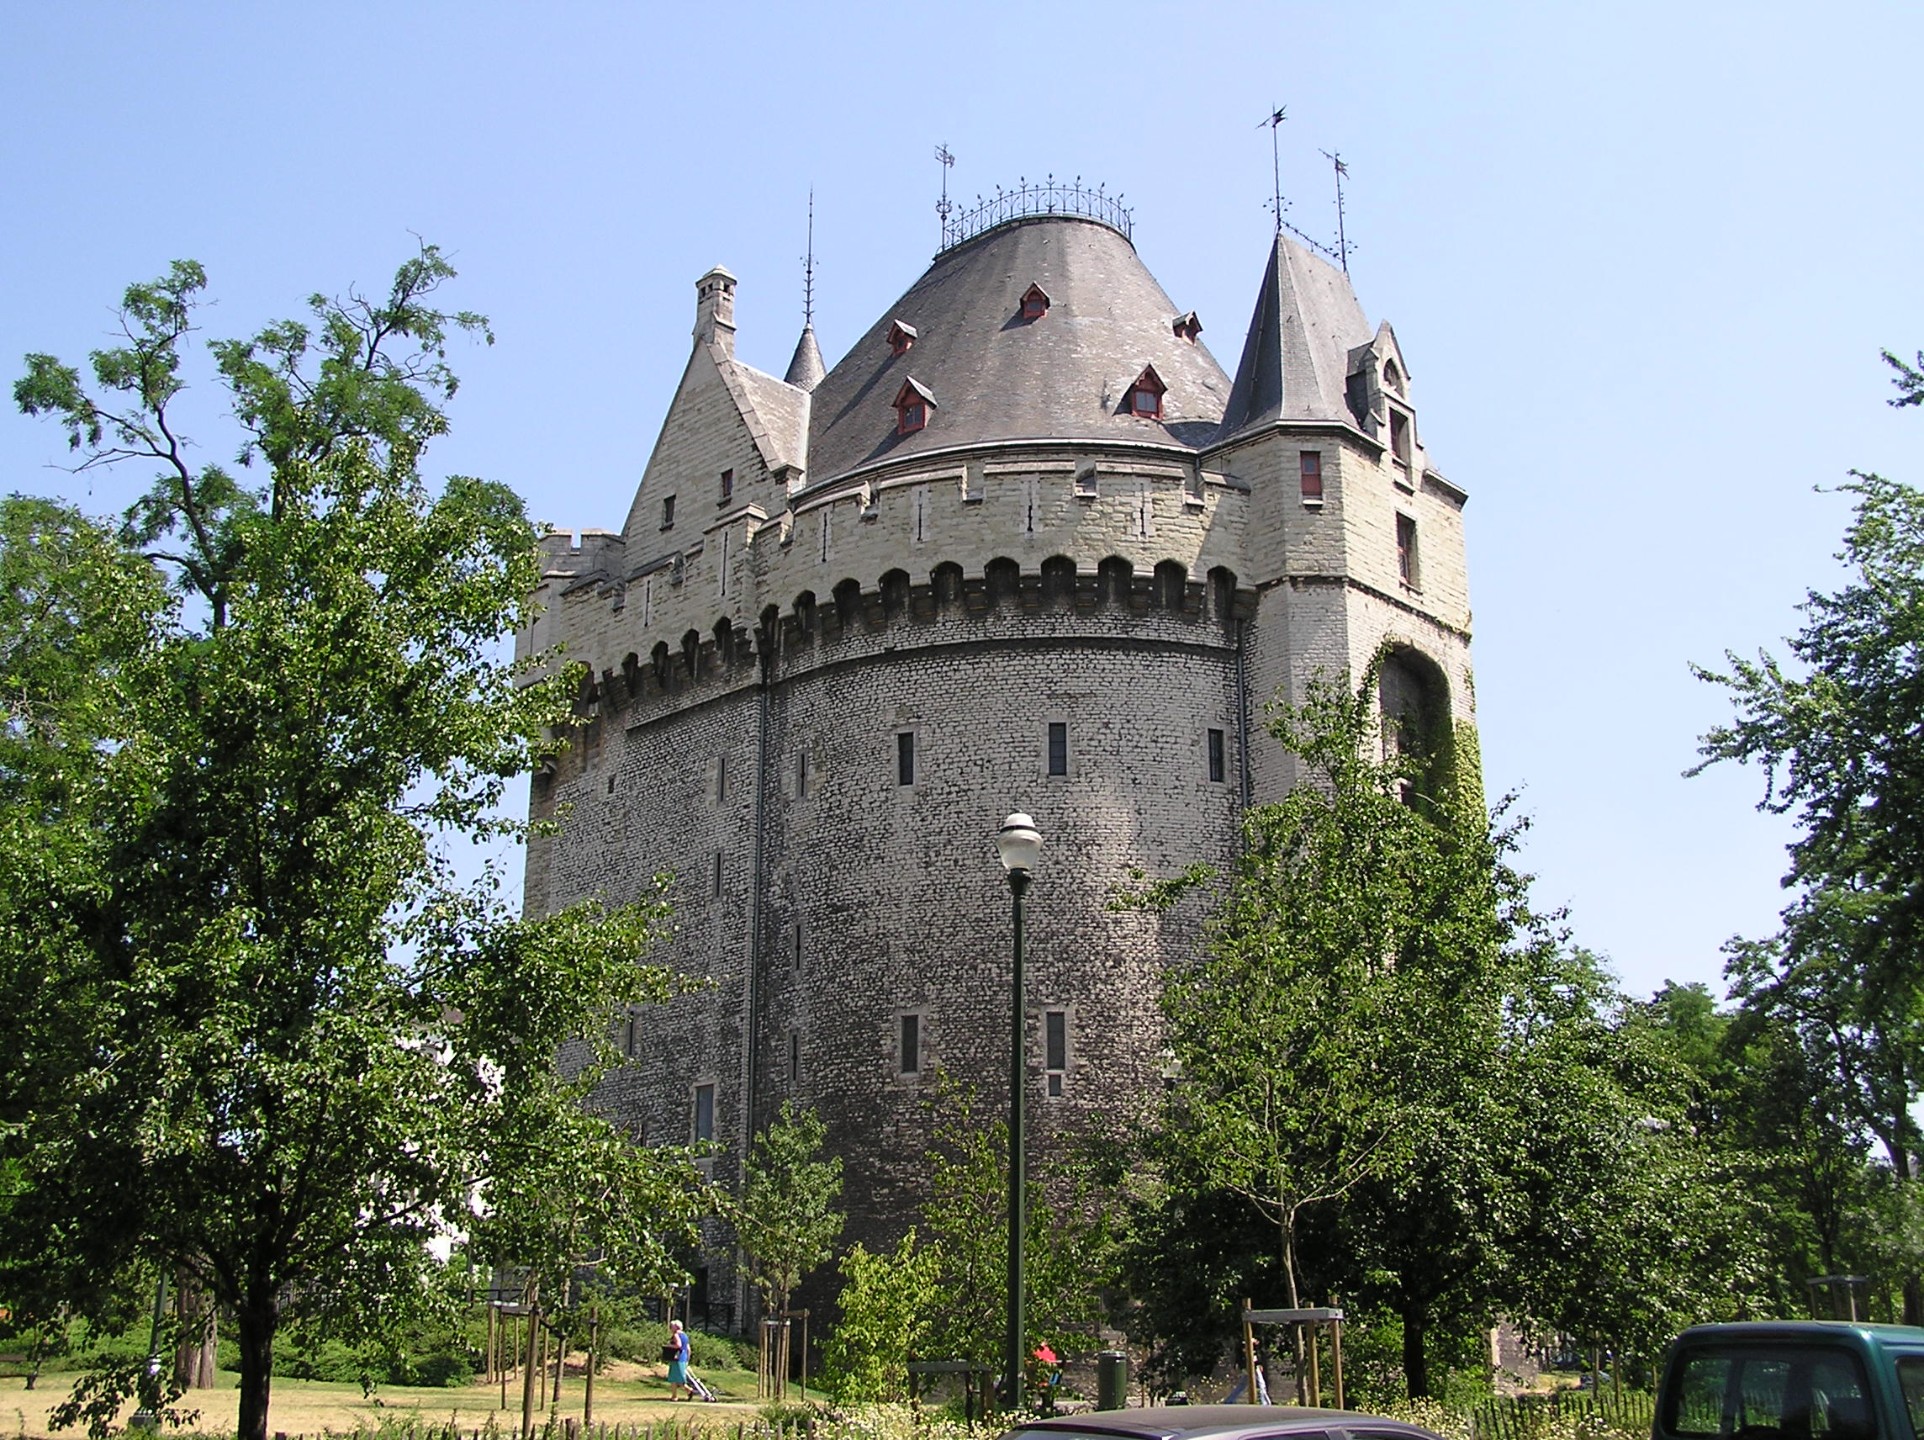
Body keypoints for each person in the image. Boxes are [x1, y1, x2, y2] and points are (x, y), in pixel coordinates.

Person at [665, 1319, 691, 1401]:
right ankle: (688, 1391)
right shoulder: (685, 1336)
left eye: (672, 1326)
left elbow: (678, 1345)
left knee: (674, 1379)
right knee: (679, 1378)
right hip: (683, 1358)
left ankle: (675, 1396)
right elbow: (688, 1349)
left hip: (676, 1358)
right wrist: (687, 1359)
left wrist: (668, 1346)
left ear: (676, 1327)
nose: (670, 1328)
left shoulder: (676, 1335)